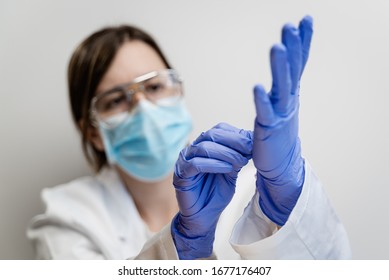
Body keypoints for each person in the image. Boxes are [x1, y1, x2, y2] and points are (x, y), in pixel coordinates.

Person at [27, 16, 351, 259]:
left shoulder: (253, 191)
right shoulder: (68, 217)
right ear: (93, 133)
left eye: (154, 86)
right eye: (116, 100)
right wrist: (183, 247)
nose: (143, 108)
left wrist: (287, 200)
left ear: (178, 92)